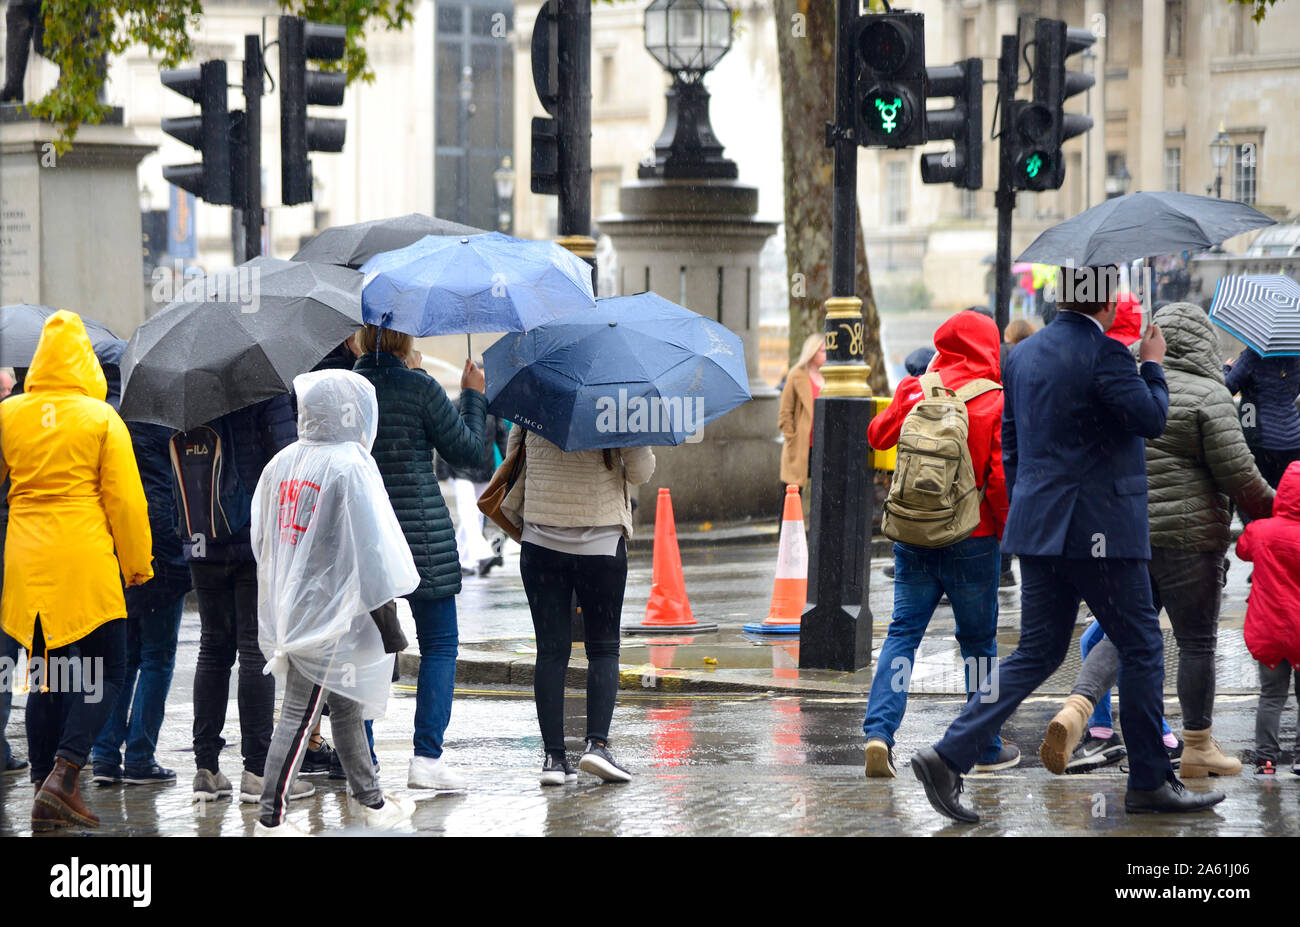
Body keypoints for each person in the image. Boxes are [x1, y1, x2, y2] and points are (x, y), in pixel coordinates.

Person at [910, 265, 1226, 822]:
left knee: (1037, 651)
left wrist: (1029, 510)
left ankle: (948, 753)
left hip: (1040, 528)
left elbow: (1013, 446)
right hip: (1100, 529)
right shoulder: (1106, 355)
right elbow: (1152, 418)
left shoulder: (1023, 357)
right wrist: (1151, 363)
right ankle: (1151, 782)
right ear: (1104, 302)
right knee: (1143, 645)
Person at [1038, 302, 1274, 778]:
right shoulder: (1210, 395)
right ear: (1206, 343)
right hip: (1191, 543)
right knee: (1196, 644)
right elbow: (1240, 478)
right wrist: (1281, 508)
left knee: (1127, 634)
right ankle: (1197, 746)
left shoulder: (1136, 387)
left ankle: (1078, 709)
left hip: (1130, 535)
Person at [0, 311, 153, 829]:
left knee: (46, 678)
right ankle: (64, 775)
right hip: (83, 562)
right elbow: (125, 502)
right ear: (85, 362)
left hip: (26, 567)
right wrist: (137, 564)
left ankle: (43, 785)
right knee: (108, 671)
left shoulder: (9, 415)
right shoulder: (100, 417)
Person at [251, 370, 420, 834]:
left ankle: (371, 800)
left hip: (296, 604)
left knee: (345, 706)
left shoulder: (282, 463)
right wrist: (390, 626)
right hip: (334, 611)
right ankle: (271, 814)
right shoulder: (350, 465)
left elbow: (263, 540)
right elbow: (373, 551)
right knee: (298, 714)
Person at [862, 311, 1015, 778]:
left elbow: (877, 436)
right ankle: (985, 747)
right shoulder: (995, 399)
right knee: (978, 644)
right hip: (974, 537)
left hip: (913, 533)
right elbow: (999, 481)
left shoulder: (916, 388)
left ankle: (879, 734)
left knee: (903, 633)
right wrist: (1010, 534)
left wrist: (919, 388)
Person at [353, 325, 485, 791]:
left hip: (364, 535)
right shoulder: (421, 387)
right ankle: (426, 759)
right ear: (407, 342)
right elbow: (471, 455)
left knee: (365, 651)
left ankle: (362, 760)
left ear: (360, 341)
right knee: (440, 645)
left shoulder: (347, 389)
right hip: (421, 533)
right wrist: (472, 396)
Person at [503, 424, 655, 785]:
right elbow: (641, 472)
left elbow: (514, 456)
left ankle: (554, 759)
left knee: (551, 652)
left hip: (541, 541)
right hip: (600, 543)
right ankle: (596, 746)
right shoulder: (616, 403)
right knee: (602, 649)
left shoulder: (538, 395)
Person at [183, 393, 312, 805]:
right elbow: (290, 459)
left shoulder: (189, 392)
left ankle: (206, 769)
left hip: (201, 534)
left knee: (213, 649)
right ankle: (257, 770)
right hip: (254, 536)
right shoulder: (264, 389)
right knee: (255, 649)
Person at [90, 362, 194, 786]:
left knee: (125, 657)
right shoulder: (167, 425)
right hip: (161, 549)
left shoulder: (105, 423)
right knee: (157, 656)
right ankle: (139, 757)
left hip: (113, 548)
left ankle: (103, 752)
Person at [1238, 461, 1300, 777]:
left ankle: (1266, 760)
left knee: (1271, 696)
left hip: (1270, 630)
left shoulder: (1261, 531)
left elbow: (1241, 550)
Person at [438, 393, 510, 576]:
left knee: (475, 516)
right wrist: (442, 469)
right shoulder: (455, 406)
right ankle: (483, 553)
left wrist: (510, 464)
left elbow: (501, 437)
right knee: (468, 513)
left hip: (484, 469)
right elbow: (443, 437)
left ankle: (464, 561)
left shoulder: (493, 409)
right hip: (460, 469)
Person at [1225, 347, 1300, 498]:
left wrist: (1226, 368)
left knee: (1257, 495)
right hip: (1293, 438)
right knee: (1286, 496)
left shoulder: (1253, 354)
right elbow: (1294, 391)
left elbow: (1228, 387)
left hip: (1260, 437)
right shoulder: (1295, 355)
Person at [778, 334, 825, 521]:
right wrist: (792, 437)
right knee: (792, 494)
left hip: (822, 445)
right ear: (812, 353)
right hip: (800, 446)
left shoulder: (831, 377)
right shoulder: (796, 375)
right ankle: (787, 538)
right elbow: (784, 412)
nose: (827, 354)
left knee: (822, 495)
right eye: (823, 351)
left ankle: (814, 538)